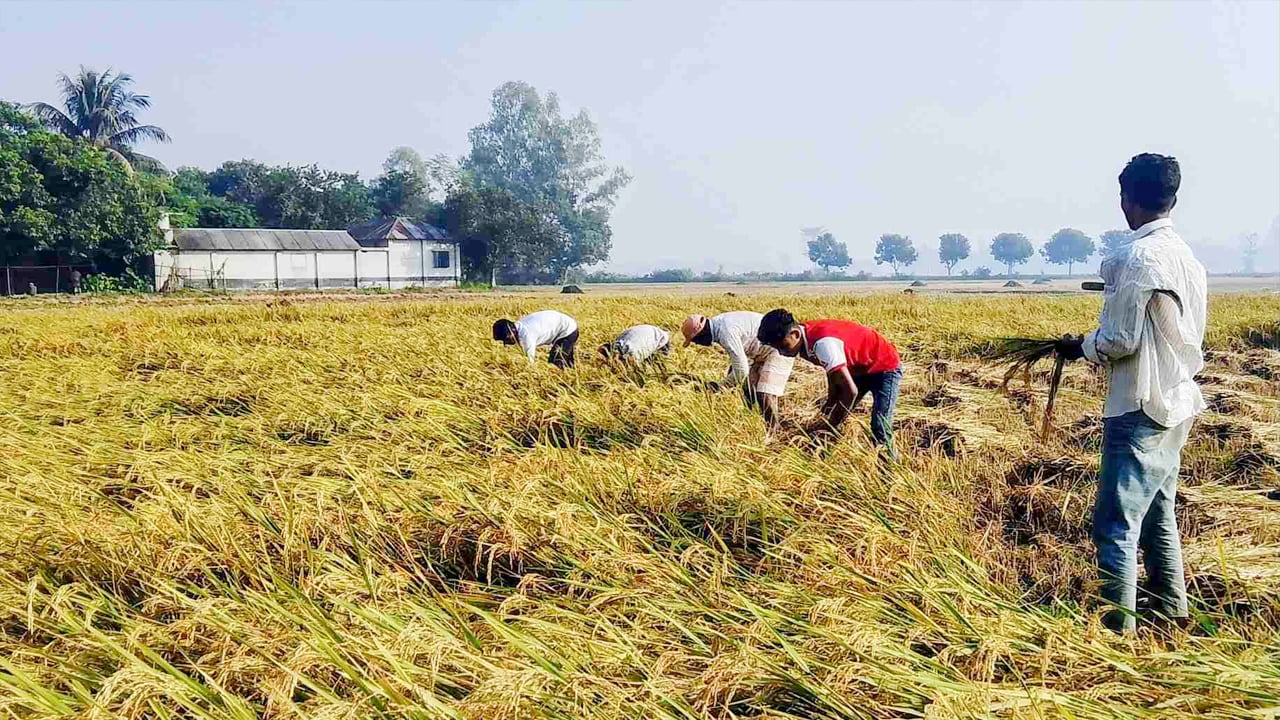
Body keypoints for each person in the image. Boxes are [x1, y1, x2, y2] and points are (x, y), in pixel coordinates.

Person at [1055, 153, 1206, 634]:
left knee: (1115, 525)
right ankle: (1171, 612)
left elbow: (1120, 340)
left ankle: (1117, 633)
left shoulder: (1137, 257)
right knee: (1159, 513)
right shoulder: (1188, 259)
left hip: (1139, 404)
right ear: (1172, 199)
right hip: (1178, 402)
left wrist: (1082, 346)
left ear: (1126, 200)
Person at [756, 309, 901, 454]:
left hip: (885, 366)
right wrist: (830, 402)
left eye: (783, 347)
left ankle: (889, 465)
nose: (781, 353)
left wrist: (830, 426)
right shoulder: (804, 339)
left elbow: (851, 391)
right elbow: (833, 374)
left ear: (795, 334)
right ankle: (827, 452)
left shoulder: (822, 344)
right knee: (838, 411)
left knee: (880, 425)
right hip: (860, 366)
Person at [681, 312, 795, 424]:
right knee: (748, 388)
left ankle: (774, 429)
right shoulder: (718, 324)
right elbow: (737, 362)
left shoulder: (725, 332)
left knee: (765, 393)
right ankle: (753, 422)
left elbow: (741, 371)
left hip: (778, 347)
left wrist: (719, 386)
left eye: (695, 341)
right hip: (762, 351)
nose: (697, 344)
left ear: (701, 334)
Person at [492, 310, 579, 368]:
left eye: (507, 339)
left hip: (567, 330)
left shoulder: (527, 335)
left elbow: (530, 363)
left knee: (555, 364)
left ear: (512, 331)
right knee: (566, 363)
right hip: (563, 324)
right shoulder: (519, 327)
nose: (507, 343)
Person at [599, 324, 672, 365]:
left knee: (651, 369)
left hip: (661, 340)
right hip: (647, 331)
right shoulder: (618, 344)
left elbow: (631, 370)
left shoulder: (634, 354)